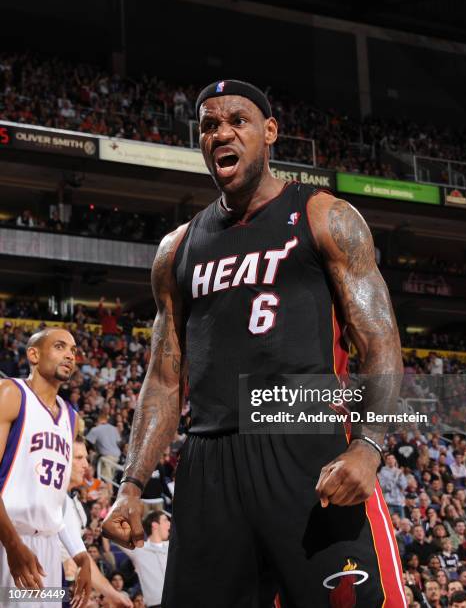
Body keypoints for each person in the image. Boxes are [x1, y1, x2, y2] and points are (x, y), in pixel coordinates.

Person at [103, 80, 406, 607]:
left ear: (269, 132)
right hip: (209, 459)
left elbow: (379, 341)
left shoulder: (324, 216)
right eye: (209, 125)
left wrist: (369, 445)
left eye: (238, 121)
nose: (223, 132)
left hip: (303, 442)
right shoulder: (176, 249)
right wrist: (131, 482)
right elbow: (164, 376)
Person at [0, 328, 90, 608]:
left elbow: (56, 500)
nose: (69, 355)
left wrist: (81, 554)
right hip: (8, 540)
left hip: (49, 549)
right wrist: (13, 545)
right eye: (60, 346)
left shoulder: (71, 418)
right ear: (34, 354)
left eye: (73, 350)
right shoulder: (11, 394)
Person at [62, 436, 132, 608]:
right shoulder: (50, 500)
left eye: (86, 458)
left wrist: (112, 594)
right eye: (79, 458)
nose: (86, 464)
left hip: (61, 586)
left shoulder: (75, 503)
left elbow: (81, 556)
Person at [118, 510, 170, 607]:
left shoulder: (173, 547)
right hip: (156, 604)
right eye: (165, 520)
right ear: (155, 525)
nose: (169, 524)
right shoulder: (139, 549)